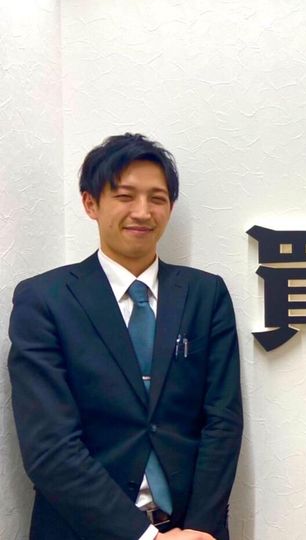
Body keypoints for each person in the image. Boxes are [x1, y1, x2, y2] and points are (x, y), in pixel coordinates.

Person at [7, 134, 243, 540]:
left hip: (191, 529)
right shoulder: (44, 300)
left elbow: (222, 420)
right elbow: (50, 447)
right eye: (125, 196)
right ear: (90, 203)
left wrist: (198, 529)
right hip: (82, 530)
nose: (143, 212)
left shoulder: (206, 294)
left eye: (157, 198)